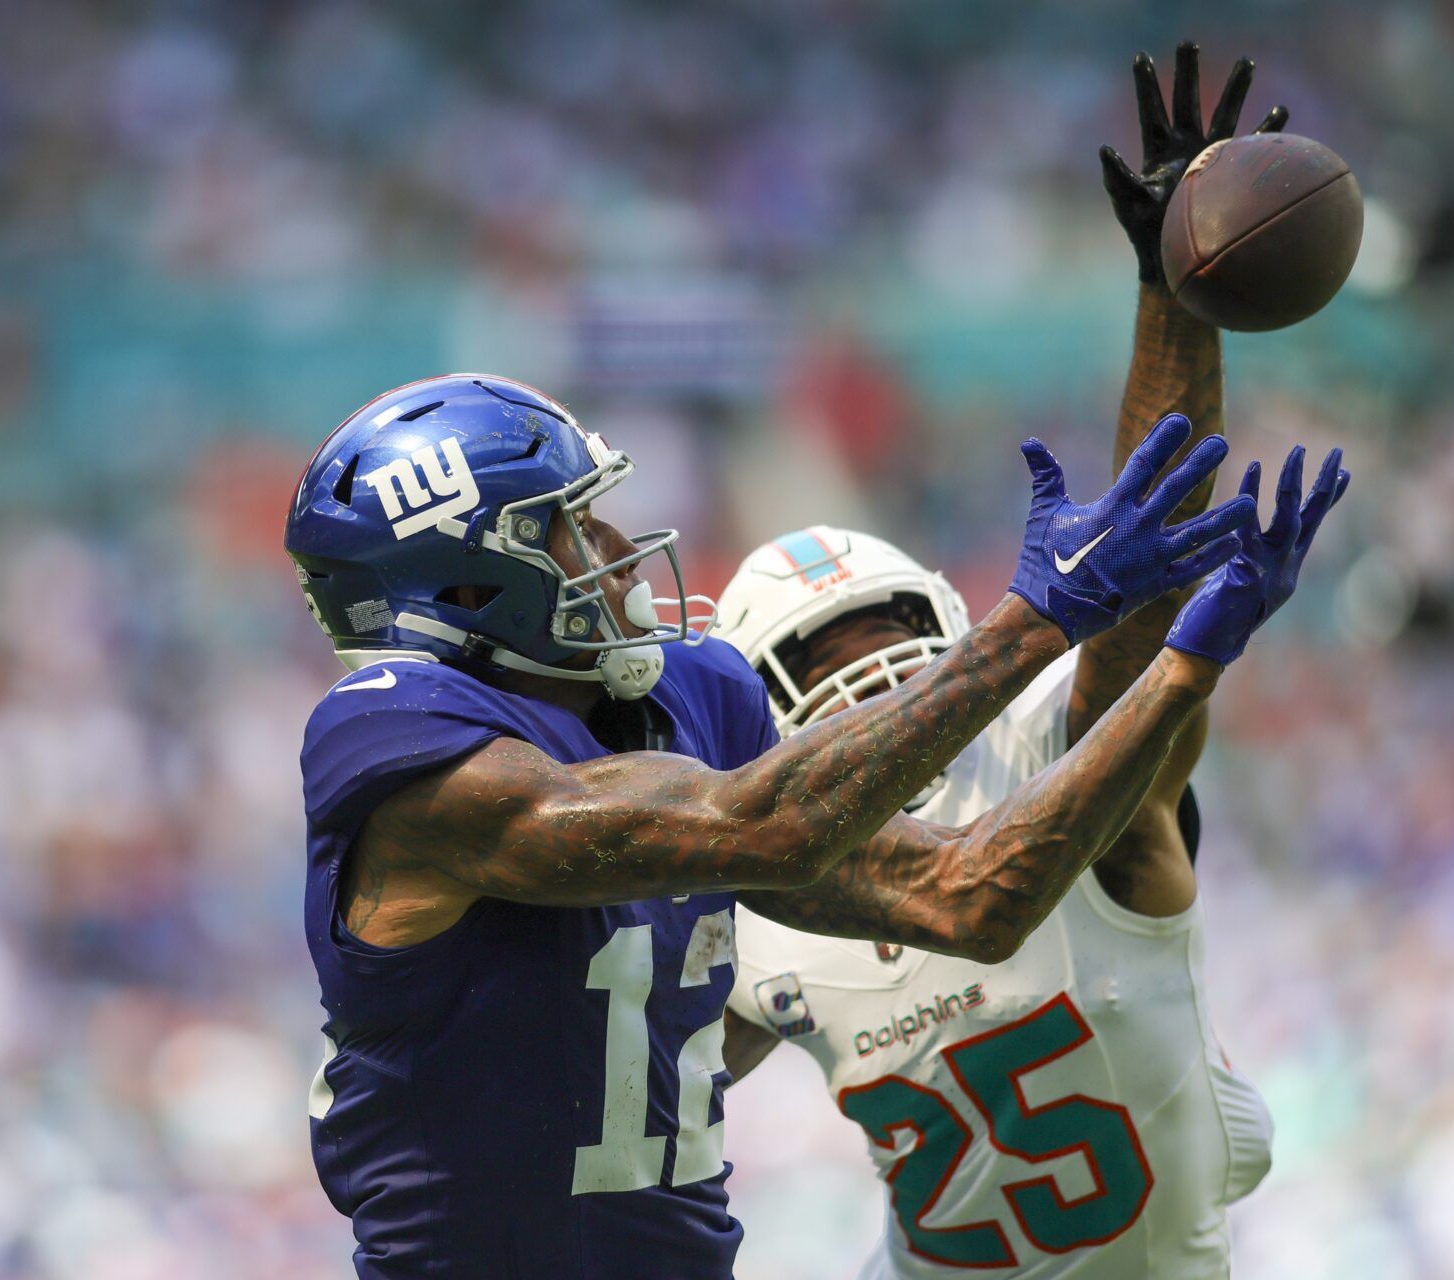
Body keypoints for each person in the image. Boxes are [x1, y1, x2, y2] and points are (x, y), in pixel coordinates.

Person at [287, 360, 1340, 1275]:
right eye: (566, 524)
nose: (613, 538)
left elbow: (966, 893)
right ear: (469, 588)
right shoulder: (396, 746)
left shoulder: (685, 695)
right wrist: (1036, 621)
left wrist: (1185, 665)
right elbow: (760, 826)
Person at [713, 45, 1320, 1278]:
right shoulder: (742, 889)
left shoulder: (1025, 746)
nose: (867, 680)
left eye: (885, 637)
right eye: (823, 659)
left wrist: (1171, 294)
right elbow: (618, 1077)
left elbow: (1146, 572)